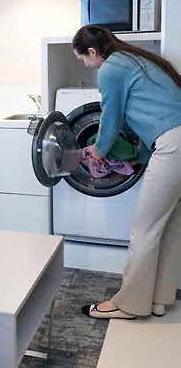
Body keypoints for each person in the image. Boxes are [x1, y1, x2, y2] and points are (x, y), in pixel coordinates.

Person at [72, 24, 181, 320]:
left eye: (83, 59)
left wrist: (99, 150)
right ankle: (159, 300)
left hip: (173, 145)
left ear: (92, 51)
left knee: (144, 230)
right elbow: (150, 119)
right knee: (169, 226)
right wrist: (134, 156)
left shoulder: (111, 68)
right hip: (175, 141)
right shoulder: (135, 59)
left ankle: (129, 305)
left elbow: (110, 118)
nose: (86, 65)